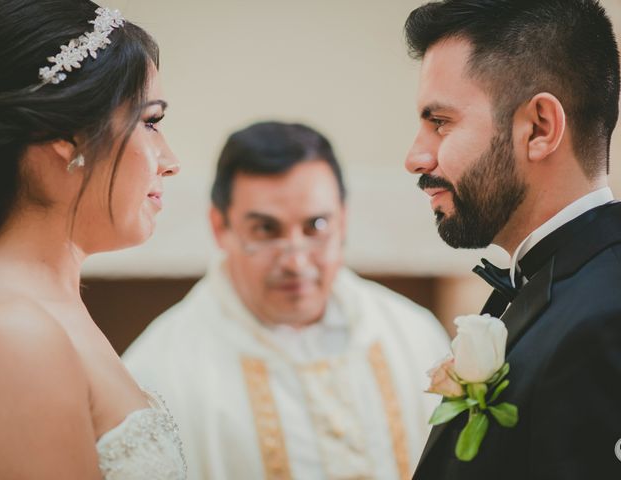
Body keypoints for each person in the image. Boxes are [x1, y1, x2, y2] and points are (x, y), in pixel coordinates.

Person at [124, 121, 450, 479]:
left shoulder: (412, 335)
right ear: (220, 227)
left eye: (316, 227)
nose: (296, 260)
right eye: (266, 230)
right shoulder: (157, 376)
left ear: (343, 221)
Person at [403, 0, 621, 478]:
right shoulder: (550, 281)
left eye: (440, 123)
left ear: (539, 128)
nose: (416, 157)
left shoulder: (606, 318)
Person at [0, 1, 186, 478]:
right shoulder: (9, 335)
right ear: (65, 135)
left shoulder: (50, 309)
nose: (170, 160)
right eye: (151, 122)